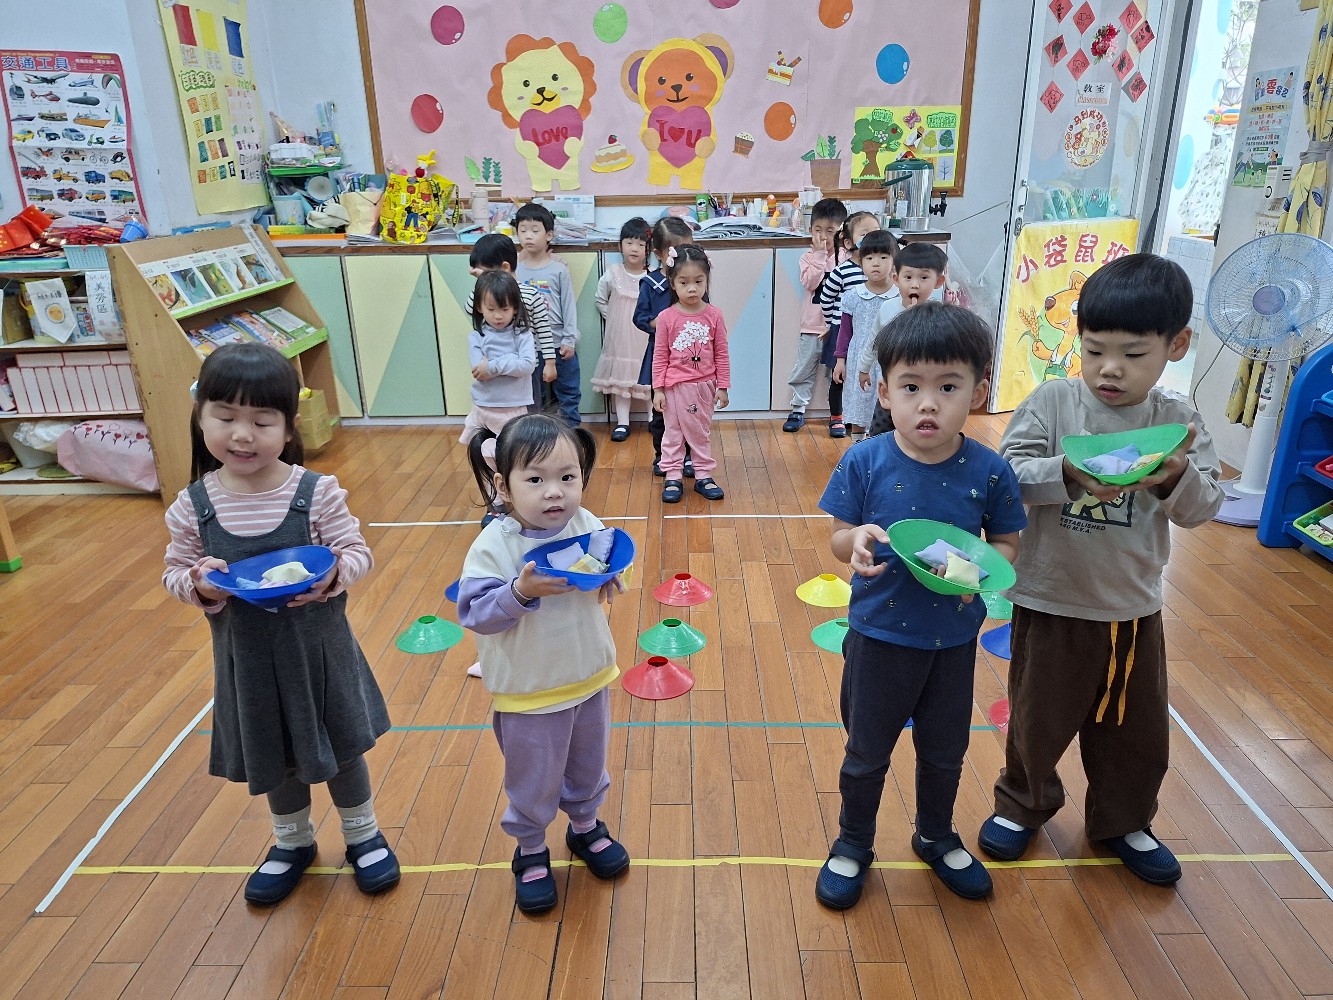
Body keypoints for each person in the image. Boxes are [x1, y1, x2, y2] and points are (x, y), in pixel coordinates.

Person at [978, 254, 1224, 886]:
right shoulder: (1054, 401)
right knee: (1036, 720)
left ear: (1177, 346)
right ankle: (1022, 804)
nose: (1110, 368)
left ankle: (1123, 820)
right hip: (1051, 600)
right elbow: (1006, 478)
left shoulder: (1177, 422)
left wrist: (1174, 477)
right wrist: (1066, 472)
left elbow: (1203, 509)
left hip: (1131, 609)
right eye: (1094, 350)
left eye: (1134, 354)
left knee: (1134, 732)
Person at [163, 343, 398, 906]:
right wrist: (199, 584)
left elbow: (356, 551)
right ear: (200, 418)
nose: (242, 435)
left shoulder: (315, 492)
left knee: (342, 746)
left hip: (319, 655)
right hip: (248, 662)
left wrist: (335, 573)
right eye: (225, 417)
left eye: (262, 421)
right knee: (275, 751)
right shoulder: (193, 505)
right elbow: (174, 573)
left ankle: (363, 835)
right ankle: (292, 842)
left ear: (289, 427)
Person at [814, 303, 1026, 909]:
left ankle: (935, 834)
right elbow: (838, 536)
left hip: (952, 641)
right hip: (879, 636)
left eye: (948, 387)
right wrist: (854, 541)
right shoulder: (865, 459)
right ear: (884, 392)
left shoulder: (989, 470)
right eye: (911, 387)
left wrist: (977, 574)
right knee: (866, 751)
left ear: (978, 393)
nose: (928, 404)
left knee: (944, 750)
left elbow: (1006, 544)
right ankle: (853, 842)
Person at [457, 414, 630, 914]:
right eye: (535, 479)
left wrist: (608, 577)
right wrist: (519, 591)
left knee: (588, 765)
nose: (554, 492)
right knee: (533, 779)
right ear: (503, 485)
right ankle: (531, 847)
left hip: (588, 676)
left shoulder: (586, 524)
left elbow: (602, 564)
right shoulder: (495, 545)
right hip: (530, 692)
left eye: (567, 477)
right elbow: (475, 613)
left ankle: (585, 826)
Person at [652, 243, 730, 503]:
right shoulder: (666, 317)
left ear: (707, 280)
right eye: (684, 282)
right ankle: (673, 476)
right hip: (674, 388)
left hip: (704, 387)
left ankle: (703, 475)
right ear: (673, 284)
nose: (692, 288)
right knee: (673, 433)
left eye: (699, 281)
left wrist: (723, 386)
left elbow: (721, 353)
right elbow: (660, 356)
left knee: (700, 432)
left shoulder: (714, 315)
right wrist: (658, 389)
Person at [858, 241, 949, 438]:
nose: (914, 284)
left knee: (917, 435)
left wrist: (918, 319)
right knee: (879, 433)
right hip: (892, 387)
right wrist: (864, 368)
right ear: (896, 279)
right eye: (908, 277)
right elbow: (874, 342)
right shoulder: (887, 309)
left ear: (938, 281)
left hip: (925, 394)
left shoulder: (939, 315)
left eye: (924, 277)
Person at [634, 216, 696, 477]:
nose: (682, 256)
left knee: (691, 410)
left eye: (687, 248)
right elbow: (639, 318)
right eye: (675, 250)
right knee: (661, 412)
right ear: (659, 253)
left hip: (690, 360)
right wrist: (658, 323)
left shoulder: (693, 281)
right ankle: (663, 456)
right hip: (661, 360)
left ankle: (690, 455)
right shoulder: (650, 284)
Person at [782, 197, 847, 435]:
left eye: (830, 231)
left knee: (836, 373)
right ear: (810, 230)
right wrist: (819, 256)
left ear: (841, 233)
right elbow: (810, 282)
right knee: (804, 368)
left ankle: (837, 413)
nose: (823, 236)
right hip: (812, 326)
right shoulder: (808, 258)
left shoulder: (846, 258)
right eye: (818, 230)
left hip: (838, 327)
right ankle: (798, 409)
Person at [515, 203, 580, 424]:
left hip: (559, 344)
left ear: (549, 235)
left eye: (535, 230)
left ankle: (572, 434)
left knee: (568, 393)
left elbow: (568, 306)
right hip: (529, 347)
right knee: (535, 397)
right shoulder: (515, 271)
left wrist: (569, 339)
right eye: (523, 230)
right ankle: (538, 436)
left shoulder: (558, 270)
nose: (528, 236)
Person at [818, 211, 882, 436]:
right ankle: (837, 417)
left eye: (876, 232)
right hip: (842, 329)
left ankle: (863, 416)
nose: (871, 238)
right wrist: (832, 322)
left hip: (869, 332)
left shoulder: (882, 271)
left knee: (867, 375)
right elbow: (826, 298)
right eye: (865, 234)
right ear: (848, 242)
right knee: (839, 376)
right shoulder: (842, 271)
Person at [467, 233, 557, 388]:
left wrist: (550, 363)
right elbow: (471, 309)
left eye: (486, 273)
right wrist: (482, 285)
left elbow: (544, 330)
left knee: (531, 401)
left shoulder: (531, 294)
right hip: (492, 365)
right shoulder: (486, 295)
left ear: (505, 268)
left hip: (525, 365)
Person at [833, 229, 898, 436]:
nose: (876, 263)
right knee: (859, 406)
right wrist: (840, 361)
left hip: (890, 360)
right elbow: (845, 332)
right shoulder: (853, 295)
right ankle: (858, 446)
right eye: (869, 258)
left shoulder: (900, 296)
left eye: (883, 257)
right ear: (861, 262)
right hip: (859, 359)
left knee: (888, 408)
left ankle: (882, 446)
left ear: (894, 261)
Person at [462, 270, 537, 450]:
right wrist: (513, 359)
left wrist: (493, 365)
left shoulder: (523, 335)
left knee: (514, 453)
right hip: (483, 406)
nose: (498, 316)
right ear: (479, 307)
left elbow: (527, 365)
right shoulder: (476, 337)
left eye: (504, 309)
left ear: (515, 308)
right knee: (481, 452)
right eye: (491, 309)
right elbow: (479, 371)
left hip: (515, 407)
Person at [592, 217, 652, 441]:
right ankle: (623, 423)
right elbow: (600, 299)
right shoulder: (613, 273)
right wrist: (615, 318)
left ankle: (653, 419)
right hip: (619, 338)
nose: (634, 248)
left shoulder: (652, 275)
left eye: (640, 244)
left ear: (648, 249)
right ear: (620, 246)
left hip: (645, 337)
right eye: (629, 243)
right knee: (620, 379)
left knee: (649, 378)